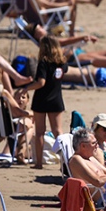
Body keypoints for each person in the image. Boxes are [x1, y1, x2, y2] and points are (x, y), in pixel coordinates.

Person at [24, 22, 106, 93]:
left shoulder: (48, 38)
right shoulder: (45, 41)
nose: (42, 29)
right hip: (75, 59)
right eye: (39, 29)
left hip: (77, 52)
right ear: (36, 34)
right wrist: (83, 37)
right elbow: (64, 42)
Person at [22, 36, 67, 169]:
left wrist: (26, 88)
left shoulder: (43, 62)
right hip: (56, 99)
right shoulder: (62, 63)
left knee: (40, 132)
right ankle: (66, 160)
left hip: (41, 99)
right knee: (58, 131)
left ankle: (39, 163)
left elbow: (41, 82)